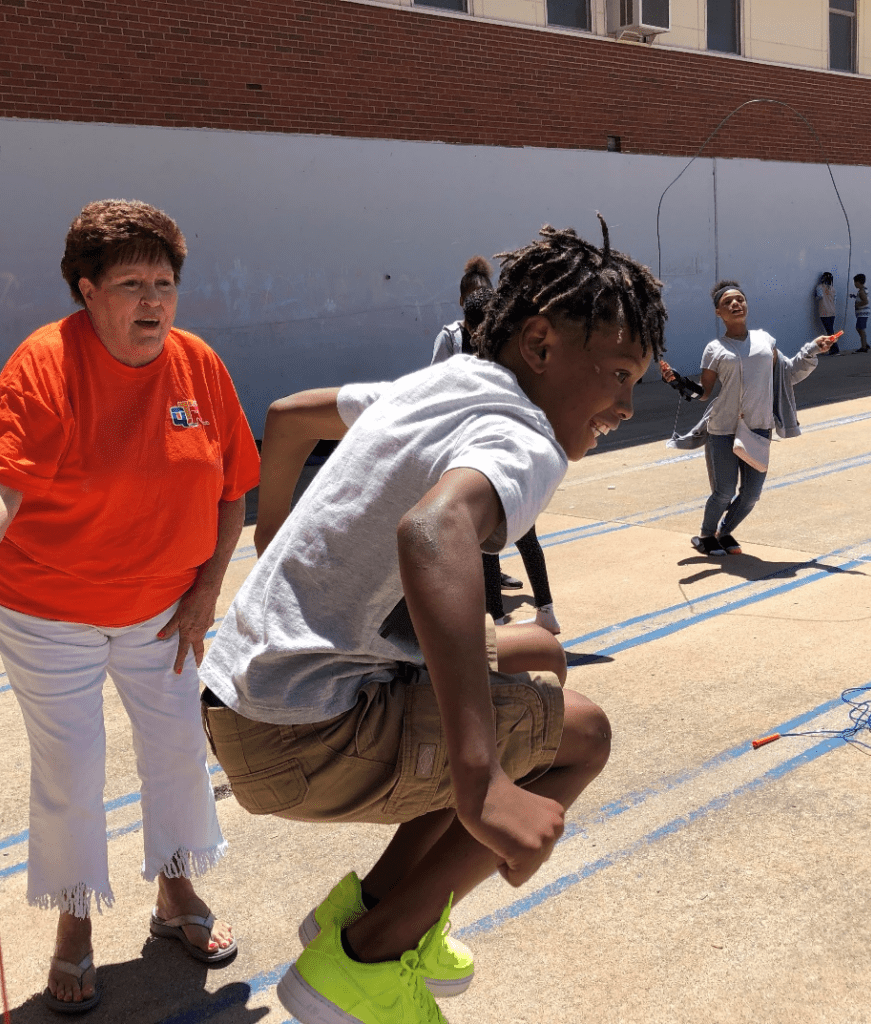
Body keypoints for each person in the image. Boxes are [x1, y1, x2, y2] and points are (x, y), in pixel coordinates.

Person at [200, 219, 667, 1024]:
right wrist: (482, 781)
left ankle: (370, 913)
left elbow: (286, 415)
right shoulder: (525, 434)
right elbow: (432, 531)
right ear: (540, 343)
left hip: (241, 693)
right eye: (619, 375)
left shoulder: (437, 383)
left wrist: (276, 543)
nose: (627, 405)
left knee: (524, 659)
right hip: (302, 731)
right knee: (581, 736)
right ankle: (367, 960)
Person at [0, 200, 260, 1012]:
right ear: (86, 290)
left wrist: (207, 591)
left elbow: (229, 489)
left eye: (166, 283)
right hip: (50, 611)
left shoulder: (199, 365)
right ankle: (74, 925)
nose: (153, 301)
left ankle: (175, 895)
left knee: (177, 751)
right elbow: (4, 489)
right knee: (72, 772)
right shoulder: (42, 366)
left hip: (165, 610)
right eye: (131, 284)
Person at [434, 266, 560, 632]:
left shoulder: (493, 350)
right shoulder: (510, 346)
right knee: (521, 533)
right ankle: (538, 612)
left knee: (490, 538)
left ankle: (501, 617)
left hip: (487, 450)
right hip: (507, 447)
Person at [689, 280, 834, 558]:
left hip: (758, 428)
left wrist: (813, 348)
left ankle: (725, 531)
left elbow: (788, 372)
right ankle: (706, 535)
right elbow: (704, 392)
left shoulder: (765, 341)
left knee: (752, 494)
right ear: (718, 312)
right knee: (723, 492)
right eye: (727, 302)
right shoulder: (714, 348)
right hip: (723, 429)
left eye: (740, 299)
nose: (735, 304)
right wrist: (679, 383)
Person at [432, 257, 523, 593]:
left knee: (494, 510)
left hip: (494, 432)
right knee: (463, 510)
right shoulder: (451, 338)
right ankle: (468, 580)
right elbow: (436, 382)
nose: (479, 302)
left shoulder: (504, 338)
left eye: (485, 294)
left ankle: (491, 577)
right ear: (462, 302)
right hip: (459, 433)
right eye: (473, 296)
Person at [816, 271, 838, 354]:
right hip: (832, 311)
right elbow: (834, 301)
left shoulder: (819, 287)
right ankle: (833, 349)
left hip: (824, 311)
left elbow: (819, 296)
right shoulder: (833, 289)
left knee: (829, 332)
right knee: (830, 330)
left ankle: (834, 349)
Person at [850, 273, 870, 352]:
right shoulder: (863, 290)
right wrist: (855, 297)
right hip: (863, 313)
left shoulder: (861, 291)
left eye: (855, 282)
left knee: (860, 329)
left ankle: (864, 347)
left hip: (863, 313)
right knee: (859, 328)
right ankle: (865, 343)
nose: (854, 284)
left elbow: (865, 301)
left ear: (859, 282)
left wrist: (858, 305)